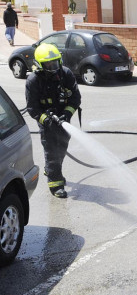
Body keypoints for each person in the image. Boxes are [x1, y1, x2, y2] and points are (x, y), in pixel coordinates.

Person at [26, 43, 81, 198]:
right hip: (47, 122)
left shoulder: (66, 74)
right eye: (48, 64)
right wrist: (46, 121)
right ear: (39, 65)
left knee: (62, 148)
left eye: (55, 62)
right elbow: (33, 108)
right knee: (52, 152)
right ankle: (56, 184)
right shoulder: (33, 81)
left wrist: (67, 114)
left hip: (63, 119)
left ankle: (51, 169)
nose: (53, 67)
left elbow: (75, 98)